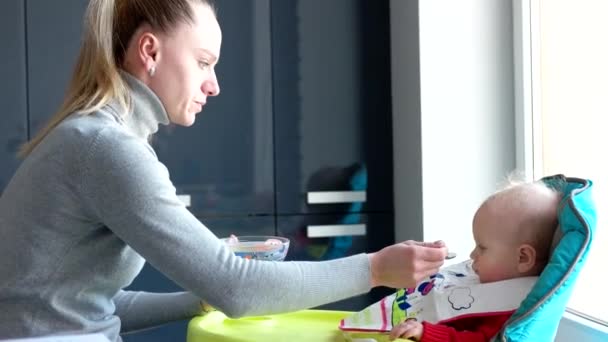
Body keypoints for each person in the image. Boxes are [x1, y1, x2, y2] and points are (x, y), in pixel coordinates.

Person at [0, 0, 447, 341]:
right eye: (203, 62)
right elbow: (240, 289)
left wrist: (199, 296)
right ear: (150, 51)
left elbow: (88, 305)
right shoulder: (106, 148)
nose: (213, 84)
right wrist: (375, 269)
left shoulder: (93, 138)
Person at [388, 180, 561, 341]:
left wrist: (426, 333)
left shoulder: (510, 310)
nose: (472, 255)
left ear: (523, 258)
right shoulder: (501, 284)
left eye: (482, 248)